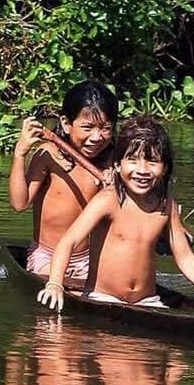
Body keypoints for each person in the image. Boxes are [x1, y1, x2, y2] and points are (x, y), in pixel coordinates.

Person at [39, 116, 194, 316]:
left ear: (165, 168)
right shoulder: (108, 200)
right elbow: (68, 242)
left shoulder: (166, 204)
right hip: (103, 298)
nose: (142, 170)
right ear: (117, 165)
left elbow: (184, 256)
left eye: (152, 161)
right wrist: (55, 283)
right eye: (132, 160)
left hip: (147, 301)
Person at [8, 80, 118, 279]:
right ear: (67, 124)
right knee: (53, 289)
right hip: (47, 257)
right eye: (87, 127)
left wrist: (116, 187)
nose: (96, 137)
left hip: (89, 258)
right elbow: (19, 204)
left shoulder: (114, 161)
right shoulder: (48, 155)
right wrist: (20, 154)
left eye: (105, 128)